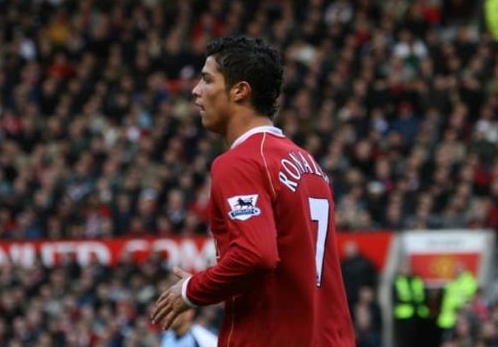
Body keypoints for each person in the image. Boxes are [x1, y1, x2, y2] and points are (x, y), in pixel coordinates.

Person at [151, 36, 355, 346]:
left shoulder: (239, 162)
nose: (195, 91)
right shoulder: (308, 163)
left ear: (240, 90)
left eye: (207, 80)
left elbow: (256, 255)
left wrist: (192, 290)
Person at [391, 261, 429, 347]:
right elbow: (396, 298)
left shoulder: (417, 280)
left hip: (419, 314)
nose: (407, 270)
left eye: (408, 267)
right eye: (404, 268)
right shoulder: (398, 281)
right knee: (404, 341)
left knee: (419, 340)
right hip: (404, 316)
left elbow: (423, 295)